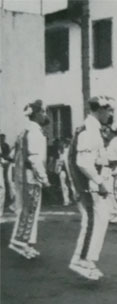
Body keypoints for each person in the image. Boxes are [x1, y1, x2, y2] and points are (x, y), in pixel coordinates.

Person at [66, 96, 114, 280]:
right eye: (109, 110)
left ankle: (88, 259)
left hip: (96, 181)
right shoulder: (89, 131)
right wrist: (99, 182)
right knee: (92, 221)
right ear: (99, 110)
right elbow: (83, 163)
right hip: (90, 184)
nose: (110, 114)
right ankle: (80, 259)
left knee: (100, 220)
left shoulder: (94, 129)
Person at [8, 100, 51, 259]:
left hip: (24, 176)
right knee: (28, 211)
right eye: (43, 112)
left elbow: (14, 155)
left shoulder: (24, 132)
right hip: (30, 177)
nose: (45, 115)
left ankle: (26, 243)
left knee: (30, 210)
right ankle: (19, 242)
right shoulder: (34, 133)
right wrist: (44, 178)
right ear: (37, 114)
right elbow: (34, 158)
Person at [55, 138, 72, 206]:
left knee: (64, 186)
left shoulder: (61, 152)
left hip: (62, 170)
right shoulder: (67, 151)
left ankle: (66, 200)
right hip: (65, 170)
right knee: (69, 185)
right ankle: (69, 199)